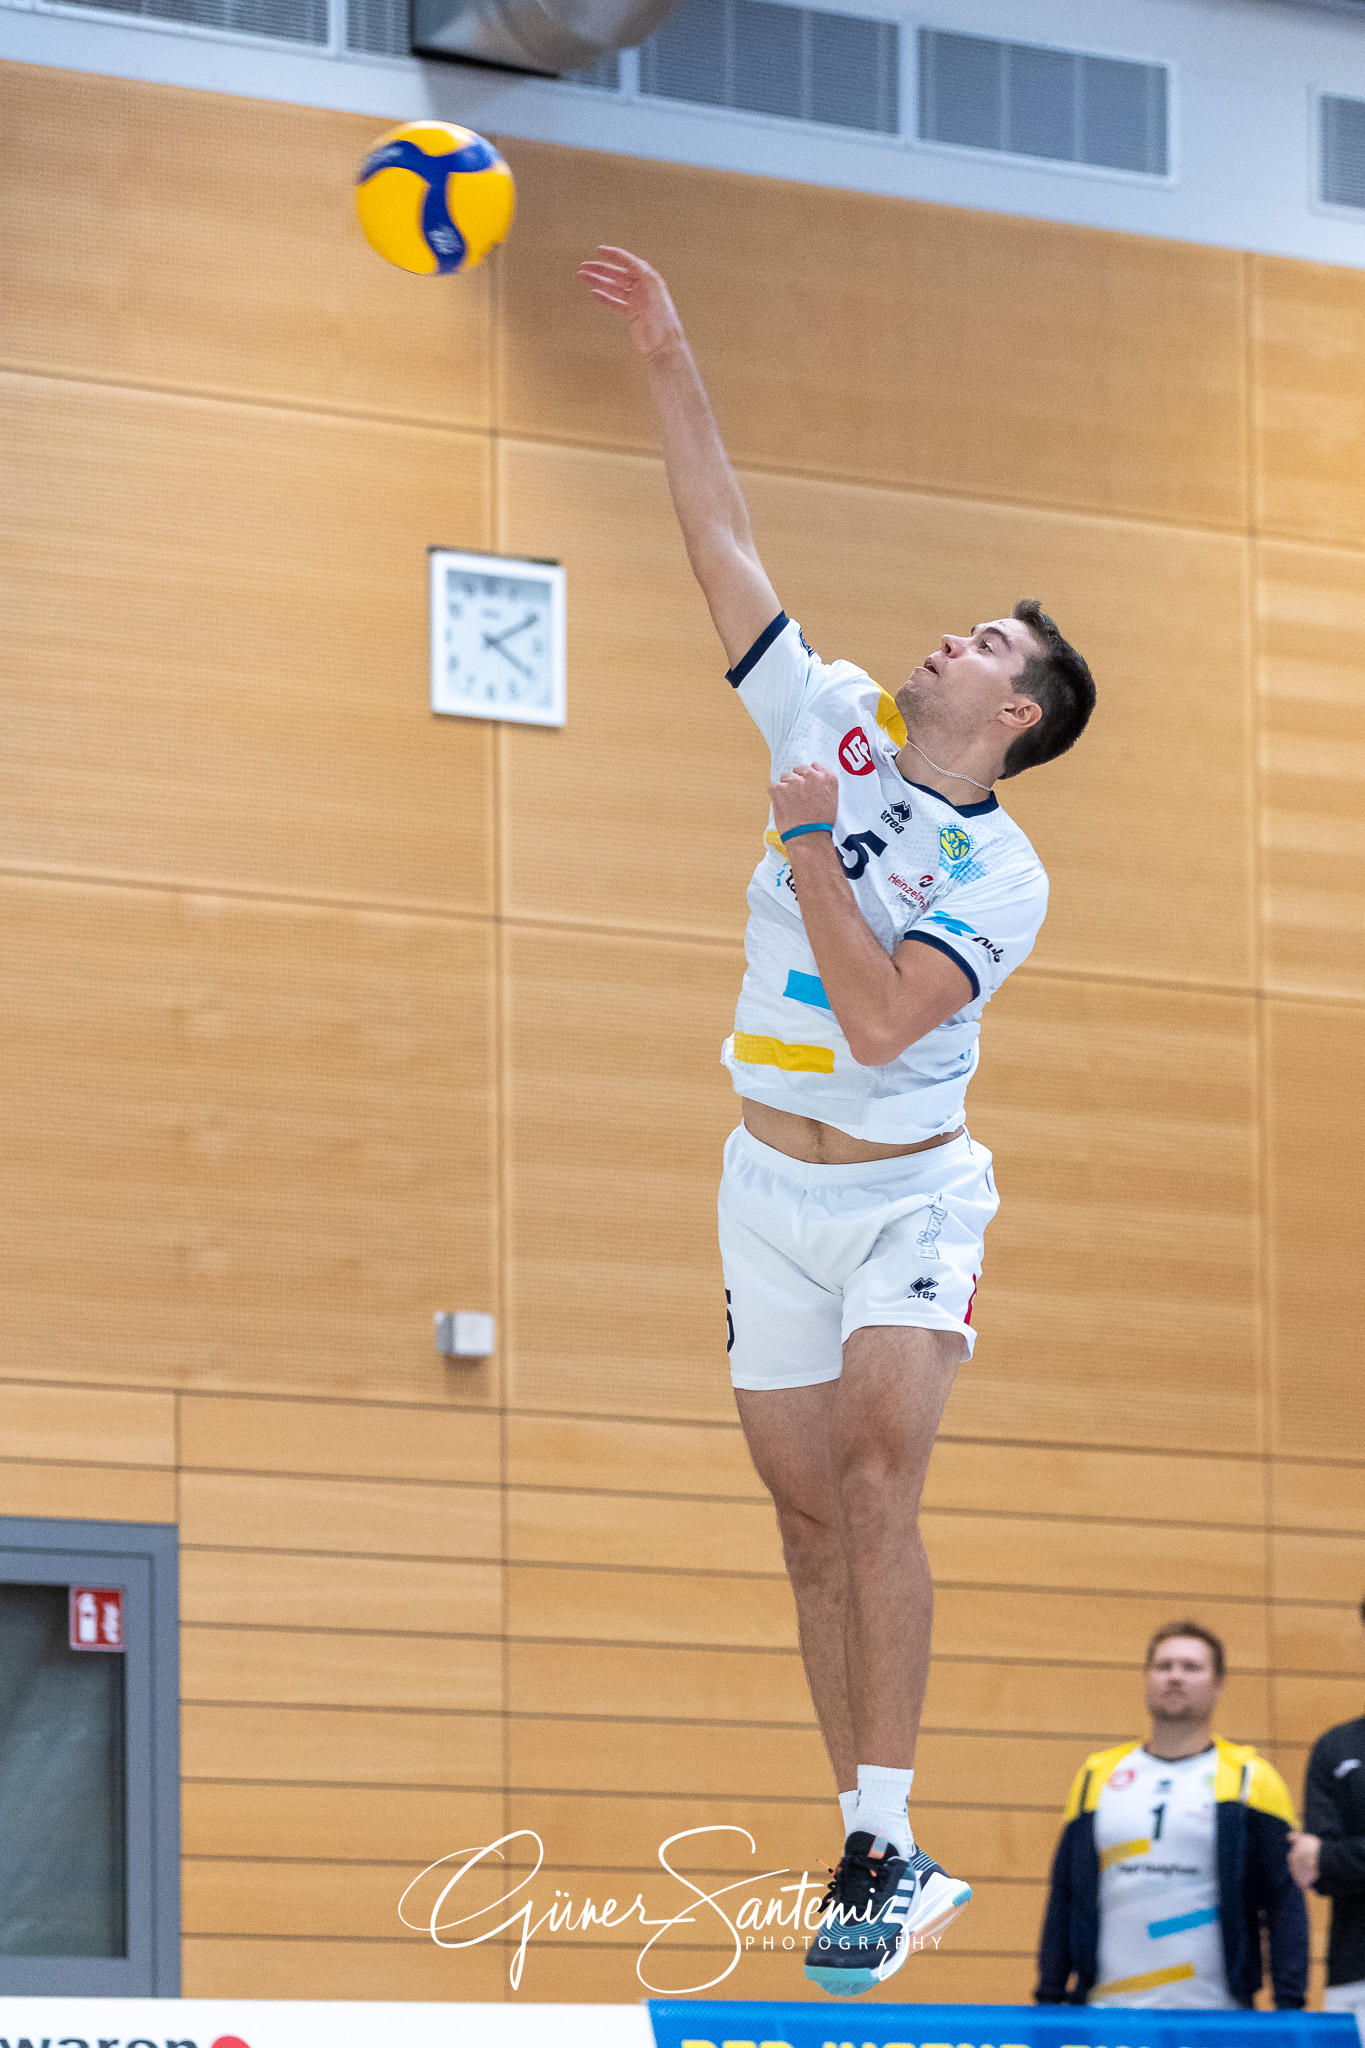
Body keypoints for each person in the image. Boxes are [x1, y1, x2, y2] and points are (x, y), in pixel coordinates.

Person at [577, 246, 1097, 1996]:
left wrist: (808, 843)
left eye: (988, 646)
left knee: (880, 1485)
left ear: (1010, 716)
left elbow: (883, 1022)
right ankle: (879, 1837)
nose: (952, 638)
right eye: (963, 625)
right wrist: (669, 354)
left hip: (905, 1198)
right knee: (801, 1521)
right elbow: (723, 546)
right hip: (759, 1187)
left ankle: (880, 1832)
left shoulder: (1003, 871)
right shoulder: (838, 713)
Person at [1036, 1620, 1308, 2010]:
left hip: (1216, 2014)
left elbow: (1284, 1903)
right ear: (1147, 1678)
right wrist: (1049, 1998)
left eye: (1191, 1667)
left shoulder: (1251, 1777)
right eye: (1164, 1666)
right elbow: (1064, 1895)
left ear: (1218, 1684)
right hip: (1106, 2013)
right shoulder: (1098, 1775)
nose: (1175, 1677)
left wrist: (1289, 2006)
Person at [1289, 1593, 1365, 2039]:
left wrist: (1338, 1856)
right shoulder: (1336, 1748)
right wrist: (1330, 1861)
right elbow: (1316, 1870)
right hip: (1356, 1978)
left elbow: (1329, 1857)